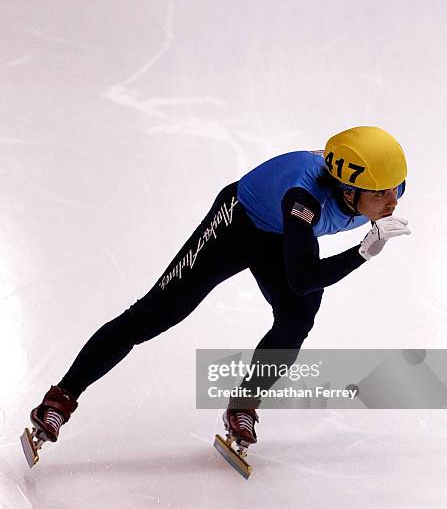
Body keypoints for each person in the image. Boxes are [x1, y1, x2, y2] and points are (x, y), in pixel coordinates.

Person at [26, 126, 411, 457]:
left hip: (283, 235)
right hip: (238, 225)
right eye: (380, 195)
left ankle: (243, 405)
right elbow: (303, 278)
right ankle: (59, 399)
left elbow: (302, 281)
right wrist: (363, 252)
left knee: (296, 320)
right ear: (347, 189)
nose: (392, 201)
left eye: (395, 190)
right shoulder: (303, 199)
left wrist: (372, 221)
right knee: (158, 312)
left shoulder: (378, 184)